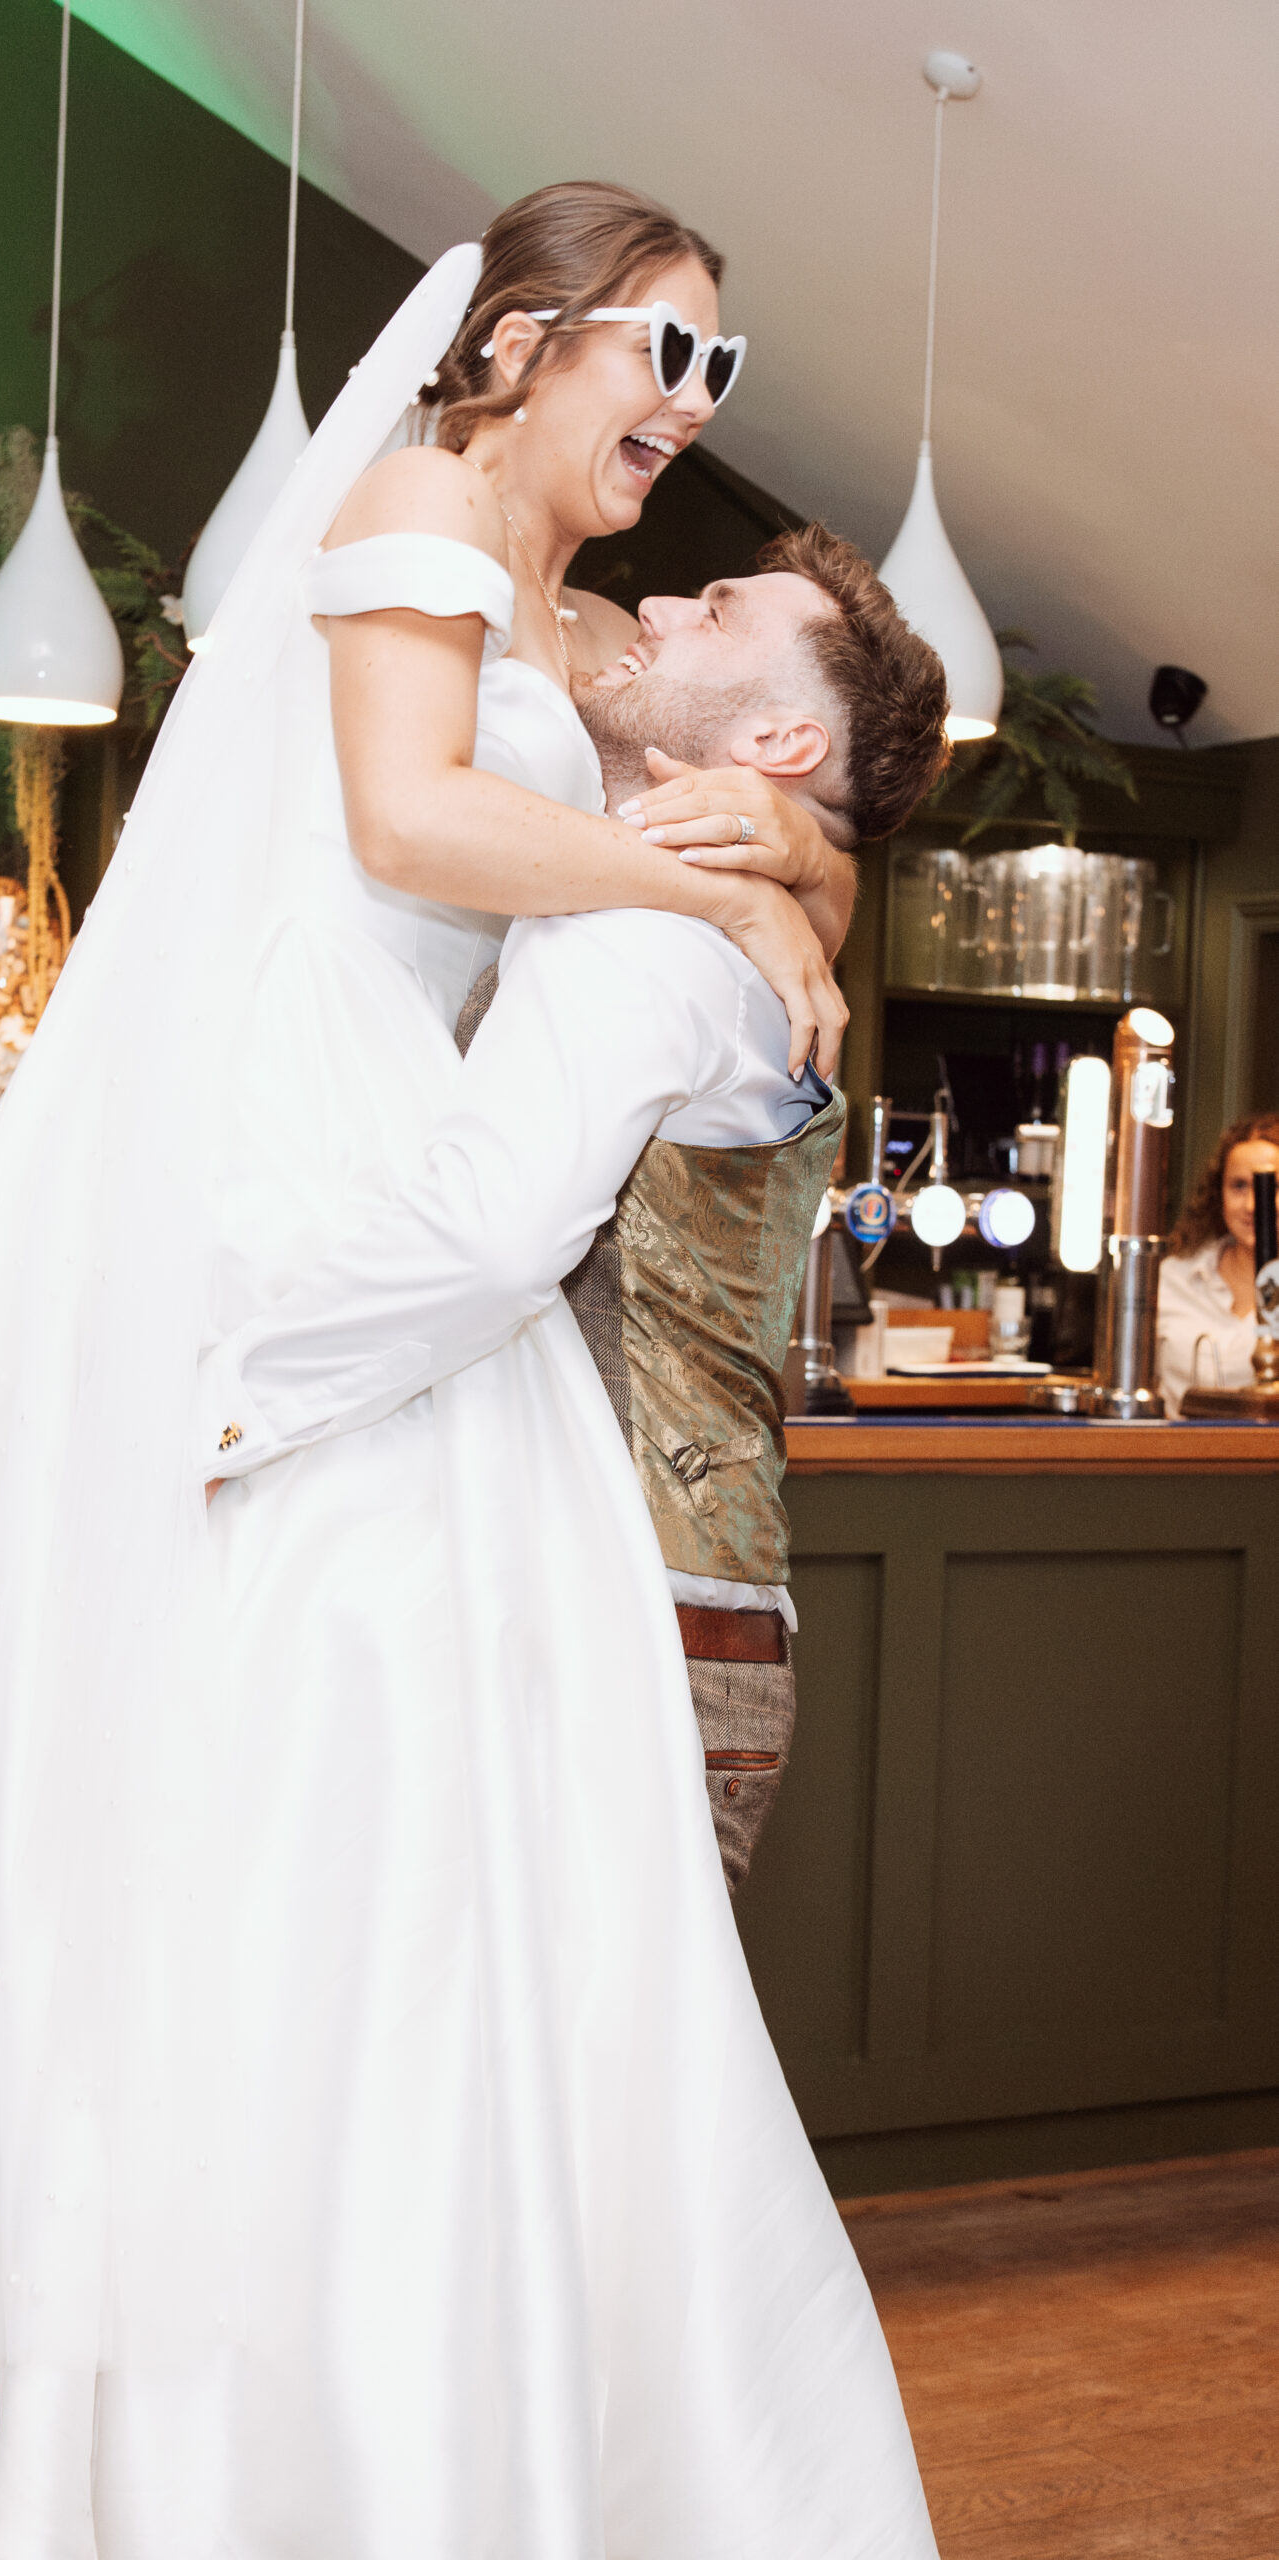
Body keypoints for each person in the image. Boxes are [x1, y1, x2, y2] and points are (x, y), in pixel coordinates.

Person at [0, 191, 939, 2559]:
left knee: (419, 1949)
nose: (685, 417)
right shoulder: (418, 498)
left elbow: (770, 792)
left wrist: (794, 878)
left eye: (718, 376)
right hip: (310, 1211)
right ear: (519, 338)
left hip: (437, 1312)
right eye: (663, 353)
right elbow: (415, 819)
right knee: (306, 1916)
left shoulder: (554, 609)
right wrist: (729, 895)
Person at [453, 525, 948, 1886]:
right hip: (598, 1593)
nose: (659, 603)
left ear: (783, 746)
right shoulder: (688, 908)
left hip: (631, 1615)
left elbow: (491, 1250)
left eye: (716, 608)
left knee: (580, 2089)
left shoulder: (660, 945)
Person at [1157, 1112, 1279, 1414]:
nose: (1252, 1206)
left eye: (1272, 1187)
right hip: (1175, 1454)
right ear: (1218, 1194)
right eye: (1239, 1186)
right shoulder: (1173, 1279)